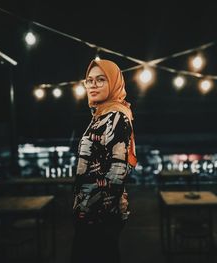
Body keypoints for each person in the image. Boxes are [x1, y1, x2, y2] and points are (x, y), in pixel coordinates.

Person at [71, 59, 137, 263]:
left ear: (113, 83)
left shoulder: (116, 116)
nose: (93, 85)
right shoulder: (100, 115)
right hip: (90, 212)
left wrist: (95, 214)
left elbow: (118, 171)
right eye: (89, 80)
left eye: (101, 80)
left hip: (99, 216)